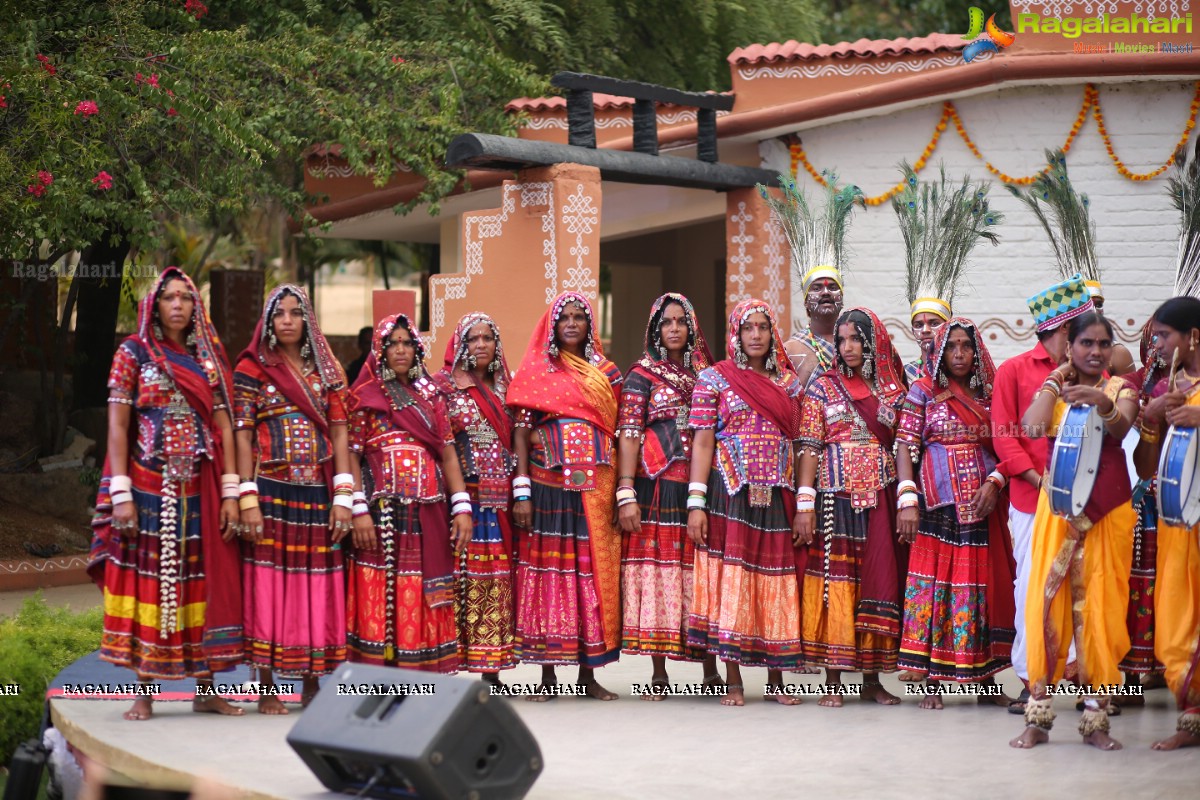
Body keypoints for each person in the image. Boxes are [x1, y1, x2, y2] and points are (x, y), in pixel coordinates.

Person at [88, 266, 244, 721]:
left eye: (186, 298)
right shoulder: (132, 353)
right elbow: (118, 424)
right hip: (146, 485)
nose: (178, 305)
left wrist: (231, 491)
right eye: (169, 298)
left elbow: (224, 428)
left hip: (200, 487)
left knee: (201, 582)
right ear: (154, 305)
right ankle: (145, 693)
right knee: (149, 585)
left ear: (197, 307)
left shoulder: (208, 359)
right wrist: (120, 492)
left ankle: (207, 688)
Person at [1011, 311, 1138, 750]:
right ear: (1069, 345)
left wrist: (1100, 402)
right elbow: (1029, 427)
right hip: (1057, 512)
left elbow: (1121, 427)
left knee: (1101, 608)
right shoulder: (1056, 390)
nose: (1096, 351)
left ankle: (1096, 722)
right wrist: (1056, 381)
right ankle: (1038, 716)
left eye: (1104, 344)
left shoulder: (1122, 388)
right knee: (1045, 604)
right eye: (1086, 343)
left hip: (1108, 513)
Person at [233, 285, 352, 711]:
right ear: (267, 321)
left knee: (314, 584)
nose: (287, 320)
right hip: (269, 490)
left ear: (307, 320)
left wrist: (343, 494)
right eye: (279, 313)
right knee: (270, 582)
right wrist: (247, 496)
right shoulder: (251, 369)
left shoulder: (327, 371)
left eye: (295, 313)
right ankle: (265, 683)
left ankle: (310, 680)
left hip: (318, 492)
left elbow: (340, 432)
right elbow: (242, 434)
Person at [686, 298, 806, 706]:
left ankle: (776, 681)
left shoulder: (790, 385)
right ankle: (733, 679)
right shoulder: (714, 379)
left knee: (775, 578)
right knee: (732, 580)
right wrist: (695, 503)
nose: (755, 335)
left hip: (777, 493)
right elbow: (702, 442)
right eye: (747, 328)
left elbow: (800, 442)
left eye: (763, 327)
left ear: (773, 334)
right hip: (728, 494)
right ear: (736, 334)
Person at [507, 292, 623, 699]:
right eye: (564, 318)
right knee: (549, 578)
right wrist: (521, 491)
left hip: (595, 488)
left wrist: (623, 491)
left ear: (590, 325)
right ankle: (547, 677)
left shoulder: (608, 373)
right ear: (552, 325)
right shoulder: (538, 369)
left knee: (588, 578)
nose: (572, 323)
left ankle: (588, 677)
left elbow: (620, 429)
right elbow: (520, 433)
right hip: (547, 489)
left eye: (579, 317)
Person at [895, 318, 1015, 708]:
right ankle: (929, 682)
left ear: (976, 350)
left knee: (979, 590)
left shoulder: (990, 393)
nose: (959, 354)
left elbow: (1008, 445)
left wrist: (995, 482)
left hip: (980, 506)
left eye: (966, 346)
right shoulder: (923, 391)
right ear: (940, 351)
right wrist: (907, 500)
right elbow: (905, 446)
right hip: (935, 507)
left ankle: (985, 683)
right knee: (933, 589)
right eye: (952, 347)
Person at [345, 314, 472, 673]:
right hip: (382, 514)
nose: (400, 349)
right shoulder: (364, 397)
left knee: (420, 589)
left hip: (427, 511)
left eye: (406, 343)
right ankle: (378, 676)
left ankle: (421, 673)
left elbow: (448, 453)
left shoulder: (433, 397)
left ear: (417, 349)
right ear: (380, 350)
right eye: (392, 343)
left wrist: (461, 507)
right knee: (381, 588)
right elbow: (351, 457)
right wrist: (358, 510)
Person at [796, 307, 908, 706]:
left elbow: (905, 444)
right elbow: (809, 445)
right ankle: (833, 680)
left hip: (880, 496)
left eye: (855, 338)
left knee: (875, 579)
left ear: (871, 340)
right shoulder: (823, 387)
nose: (848, 347)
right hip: (834, 498)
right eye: (842, 340)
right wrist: (804, 503)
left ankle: (873, 680)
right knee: (835, 585)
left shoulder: (893, 389)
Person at [991, 274, 1092, 712]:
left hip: (1087, 503)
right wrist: (1040, 482)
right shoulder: (1014, 370)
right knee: (1032, 587)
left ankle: (1090, 680)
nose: (1091, 345)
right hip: (1032, 501)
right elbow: (1004, 438)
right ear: (1065, 332)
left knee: (1086, 584)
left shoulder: (1096, 375)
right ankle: (1033, 678)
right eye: (1082, 334)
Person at [617, 293, 721, 698]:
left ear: (692, 327)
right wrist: (626, 489)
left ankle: (709, 669)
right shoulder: (641, 375)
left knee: (700, 572)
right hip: (656, 485)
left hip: (700, 488)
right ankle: (658, 672)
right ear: (655, 329)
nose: (674, 328)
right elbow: (628, 432)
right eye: (666, 322)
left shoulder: (707, 375)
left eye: (681, 321)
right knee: (659, 572)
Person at [430, 312, 518, 684]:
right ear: (460, 345)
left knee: (494, 583)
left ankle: (490, 672)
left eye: (486, 338)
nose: (480, 345)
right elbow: (440, 445)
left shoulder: (507, 387)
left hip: (500, 503)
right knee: (457, 583)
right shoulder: (443, 387)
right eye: (472, 339)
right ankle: (448, 666)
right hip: (462, 501)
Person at [1139, 296, 1200, 750]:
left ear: (1193, 336)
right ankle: (1192, 717)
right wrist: (1153, 419)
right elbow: (1145, 465)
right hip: (1179, 522)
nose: (1156, 344)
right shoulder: (1166, 387)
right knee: (1179, 615)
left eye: (1164, 335)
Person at [786, 268, 844, 387]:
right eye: (817, 288)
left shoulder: (858, 342)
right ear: (806, 301)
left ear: (842, 299)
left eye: (833, 288)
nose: (826, 292)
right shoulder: (790, 350)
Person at [904, 302, 948, 387]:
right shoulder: (905, 373)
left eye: (934, 323)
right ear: (913, 332)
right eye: (918, 325)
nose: (925, 330)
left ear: (948, 327)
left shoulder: (960, 369)